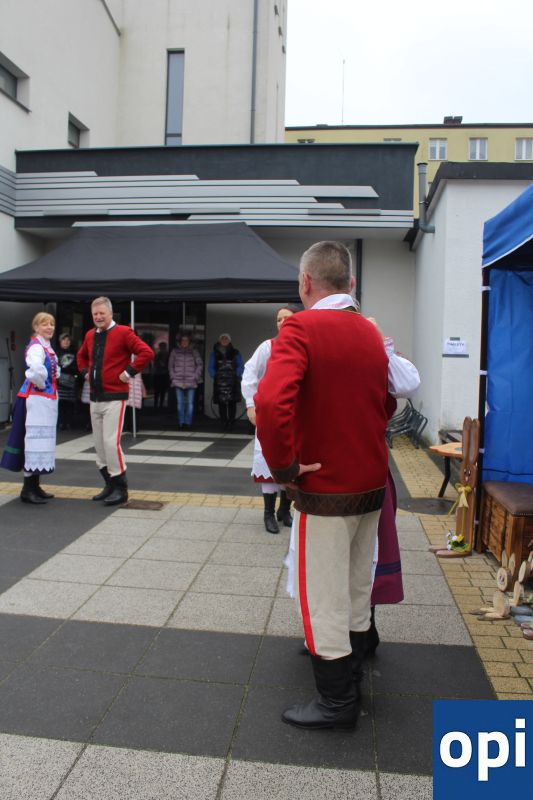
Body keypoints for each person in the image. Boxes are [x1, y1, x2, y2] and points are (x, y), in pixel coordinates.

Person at [255, 241, 395, 731]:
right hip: (371, 480)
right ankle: (352, 677)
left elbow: (271, 403)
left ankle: (337, 702)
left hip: (325, 486)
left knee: (324, 594)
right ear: (350, 283)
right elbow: (387, 402)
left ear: (305, 282)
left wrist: (284, 468)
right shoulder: (370, 332)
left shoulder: (301, 327)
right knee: (357, 586)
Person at [77, 296, 154, 506]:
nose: (98, 317)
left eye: (102, 313)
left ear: (110, 313)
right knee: (99, 444)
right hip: (96, 397)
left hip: (115, 398)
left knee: (111, 443)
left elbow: (146, 352)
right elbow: (81, 356)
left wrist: (128, 373)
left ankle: (121, 488)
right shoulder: (90, 335)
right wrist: (85, 372)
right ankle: (109, 485)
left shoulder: (124, 332)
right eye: (95, 314)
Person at [241, 305, 298, 533]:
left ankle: (284, 510)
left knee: (291, 461)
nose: (282, 322)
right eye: (278, 319)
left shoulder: (303, 347)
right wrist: (250, 405)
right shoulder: (268, 347)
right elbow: (249, 373)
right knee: (267, 460)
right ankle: (268, 513)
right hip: (270, 415)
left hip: (295, 415)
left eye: (287, 318)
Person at [1, 312, 59, 504]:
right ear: (36, 327)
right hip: (34, 400)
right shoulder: (36, 347)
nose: (49, 327)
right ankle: (28, 489)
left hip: (43, 400)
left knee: (40, 443)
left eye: (51, 324)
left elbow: (53, 371)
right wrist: (42, 384)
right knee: (32, 442)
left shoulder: (46, 346)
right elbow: (35, 370)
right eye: (44, 324)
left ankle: (35, 486)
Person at [208, 333, 244, 430]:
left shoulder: (236, 352)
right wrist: (214, 375)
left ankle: (231, 422)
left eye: (226, 338)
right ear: (219, 340)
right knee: (221, 403)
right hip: (219, 381)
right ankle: (223, 422)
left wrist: (237, 375)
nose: (224, 340)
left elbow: (240, 365)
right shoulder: (214, 353)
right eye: (222, 338)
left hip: (233, 381)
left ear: (229, 340)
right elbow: (211, 366)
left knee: (232, 402)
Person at [168, 334, 203, 430]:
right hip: (178, 380)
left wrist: (195, 376)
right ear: (180, 342)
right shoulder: (175, 352)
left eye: (186, 340)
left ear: (189, 342)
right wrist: (173, 377)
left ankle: (187, 423)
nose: (184, 342)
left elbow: (200, 364)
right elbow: (170, 365)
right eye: (182, 340)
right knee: (180, 404)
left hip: (191, 380)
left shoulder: (194, 352)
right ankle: (181, 423)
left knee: (190, 404)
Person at [56, 332, 78, 430]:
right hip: (59, 381)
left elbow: (77, 367)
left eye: (68, 340)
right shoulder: (56, 353)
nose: (66, 342)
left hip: (71, 381)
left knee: (69, 403)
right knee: (60, 402)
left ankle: (68, 422)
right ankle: (60, 422)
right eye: (64, 340)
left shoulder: (74, 353)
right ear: (60, 341)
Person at [152, 341, 170, 409]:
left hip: (158, 374)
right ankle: (160, 405)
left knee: (157, 391)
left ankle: (156, 405)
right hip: (163, 374)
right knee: (162, 391)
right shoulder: (167, 354)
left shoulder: (158, 354)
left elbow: (154, 365)